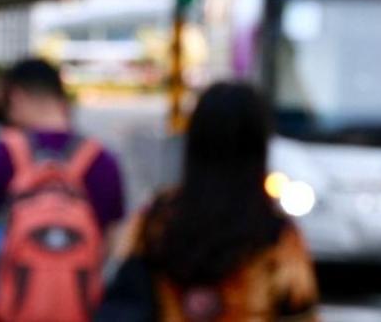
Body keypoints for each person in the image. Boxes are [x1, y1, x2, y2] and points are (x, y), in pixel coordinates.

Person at [107, 82, 319, 321]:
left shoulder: (154, 222)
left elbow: (126, 296)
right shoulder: (276, 235)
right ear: (259, 147)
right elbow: (301, 311)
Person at [0, 58, 125, 320]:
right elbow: (115, 247)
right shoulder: (101, 159)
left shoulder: (5, 152)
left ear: (17, 97)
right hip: (79, 309)